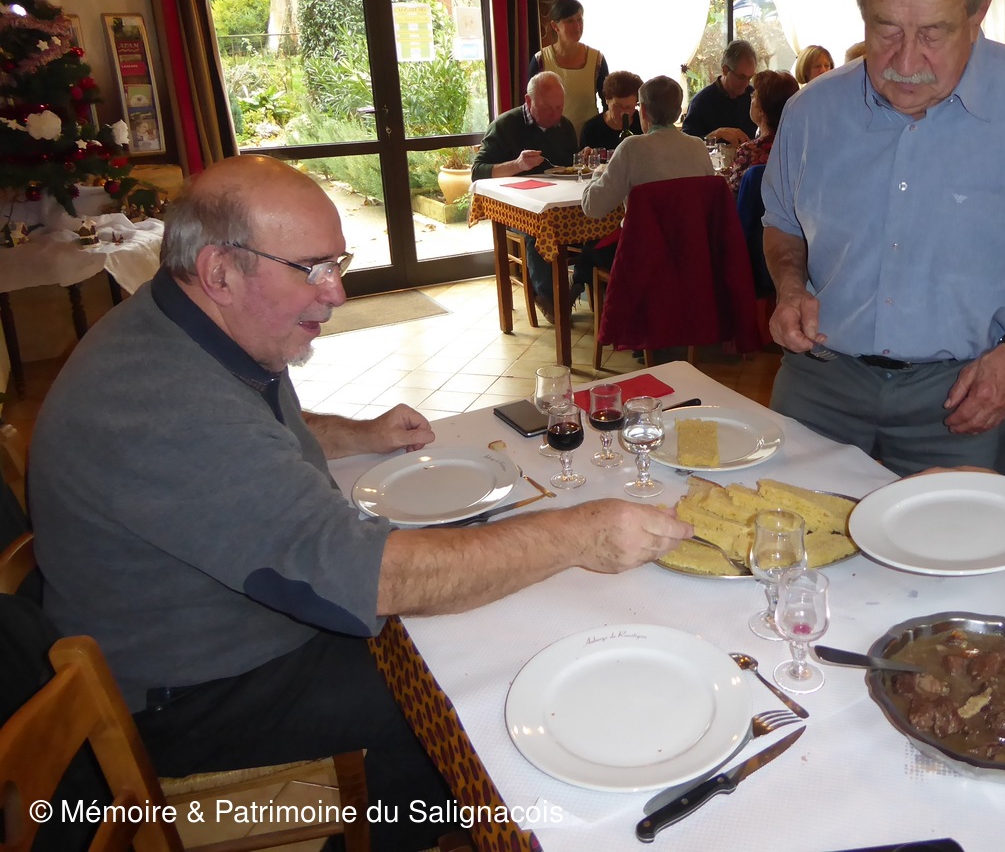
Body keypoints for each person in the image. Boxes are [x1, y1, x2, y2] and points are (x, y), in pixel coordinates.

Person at [27, 155, 691, 851]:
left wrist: (357, 435)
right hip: (192, 689)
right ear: (220, 271)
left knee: (475, 628)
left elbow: (253, 432)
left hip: (213, 624)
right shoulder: (167, 405)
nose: (337, 292)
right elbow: (374, 579)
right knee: (466, 698)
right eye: (311, 268)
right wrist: (577, 535)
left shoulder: (186, 327)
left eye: (336, 263)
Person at [761, 0, 1005, 478]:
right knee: (777, 521)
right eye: (886, 29)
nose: (905, 62)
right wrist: (791, 288)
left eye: (933, 33)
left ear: (979, 10)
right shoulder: (811, 112)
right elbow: (783, 222)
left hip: (968, 389)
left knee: (958, 535)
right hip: (821, 376)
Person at [572, 75, 715, 286]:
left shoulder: (631, 147)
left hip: (642, 253)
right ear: (678, 112)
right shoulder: (698, 147)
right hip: (690, 250)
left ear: (644, 111)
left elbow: (592, 207)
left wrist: (599, 172)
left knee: (589, 252)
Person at [472, 72, 578, 321]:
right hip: (516, 208)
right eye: (548, 108)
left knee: (601, 221)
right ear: (528, 101)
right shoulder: (505, 126)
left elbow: (571, 166)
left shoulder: (564, 126)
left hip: (556, 205)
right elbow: (477, 171)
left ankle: (580, 282)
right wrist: (518, 165)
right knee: (538, 230)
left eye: (560, 107)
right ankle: (549, 298)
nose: (555, 115)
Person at [527, 0, 609, 138]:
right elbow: (531, 106)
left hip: (589, 139)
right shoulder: (541, 60)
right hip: (552, 139)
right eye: (570, 21)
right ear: (555, 26)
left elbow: (607, 102)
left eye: (579, 20)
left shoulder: (597, 60)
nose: (577, 26)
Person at [725, 69, 799, 195]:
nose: (751, 98)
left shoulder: (749, 151)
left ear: (760, 110)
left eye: (754, 95)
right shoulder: (801, 147)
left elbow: (732, 195)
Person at [681, 39, 758, 147]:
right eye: (741, 77)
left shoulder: (755, 98)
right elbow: (686, 145)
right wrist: (716, 135)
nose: (746, 84)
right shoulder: (701, 102)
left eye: (750, 78)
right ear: (725, 70)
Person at [579, 70, 643, 150]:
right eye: (617, 106)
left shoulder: (642, 124)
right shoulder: (591, 129)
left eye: (628, 107)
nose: (623, 113)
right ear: (607, 100)